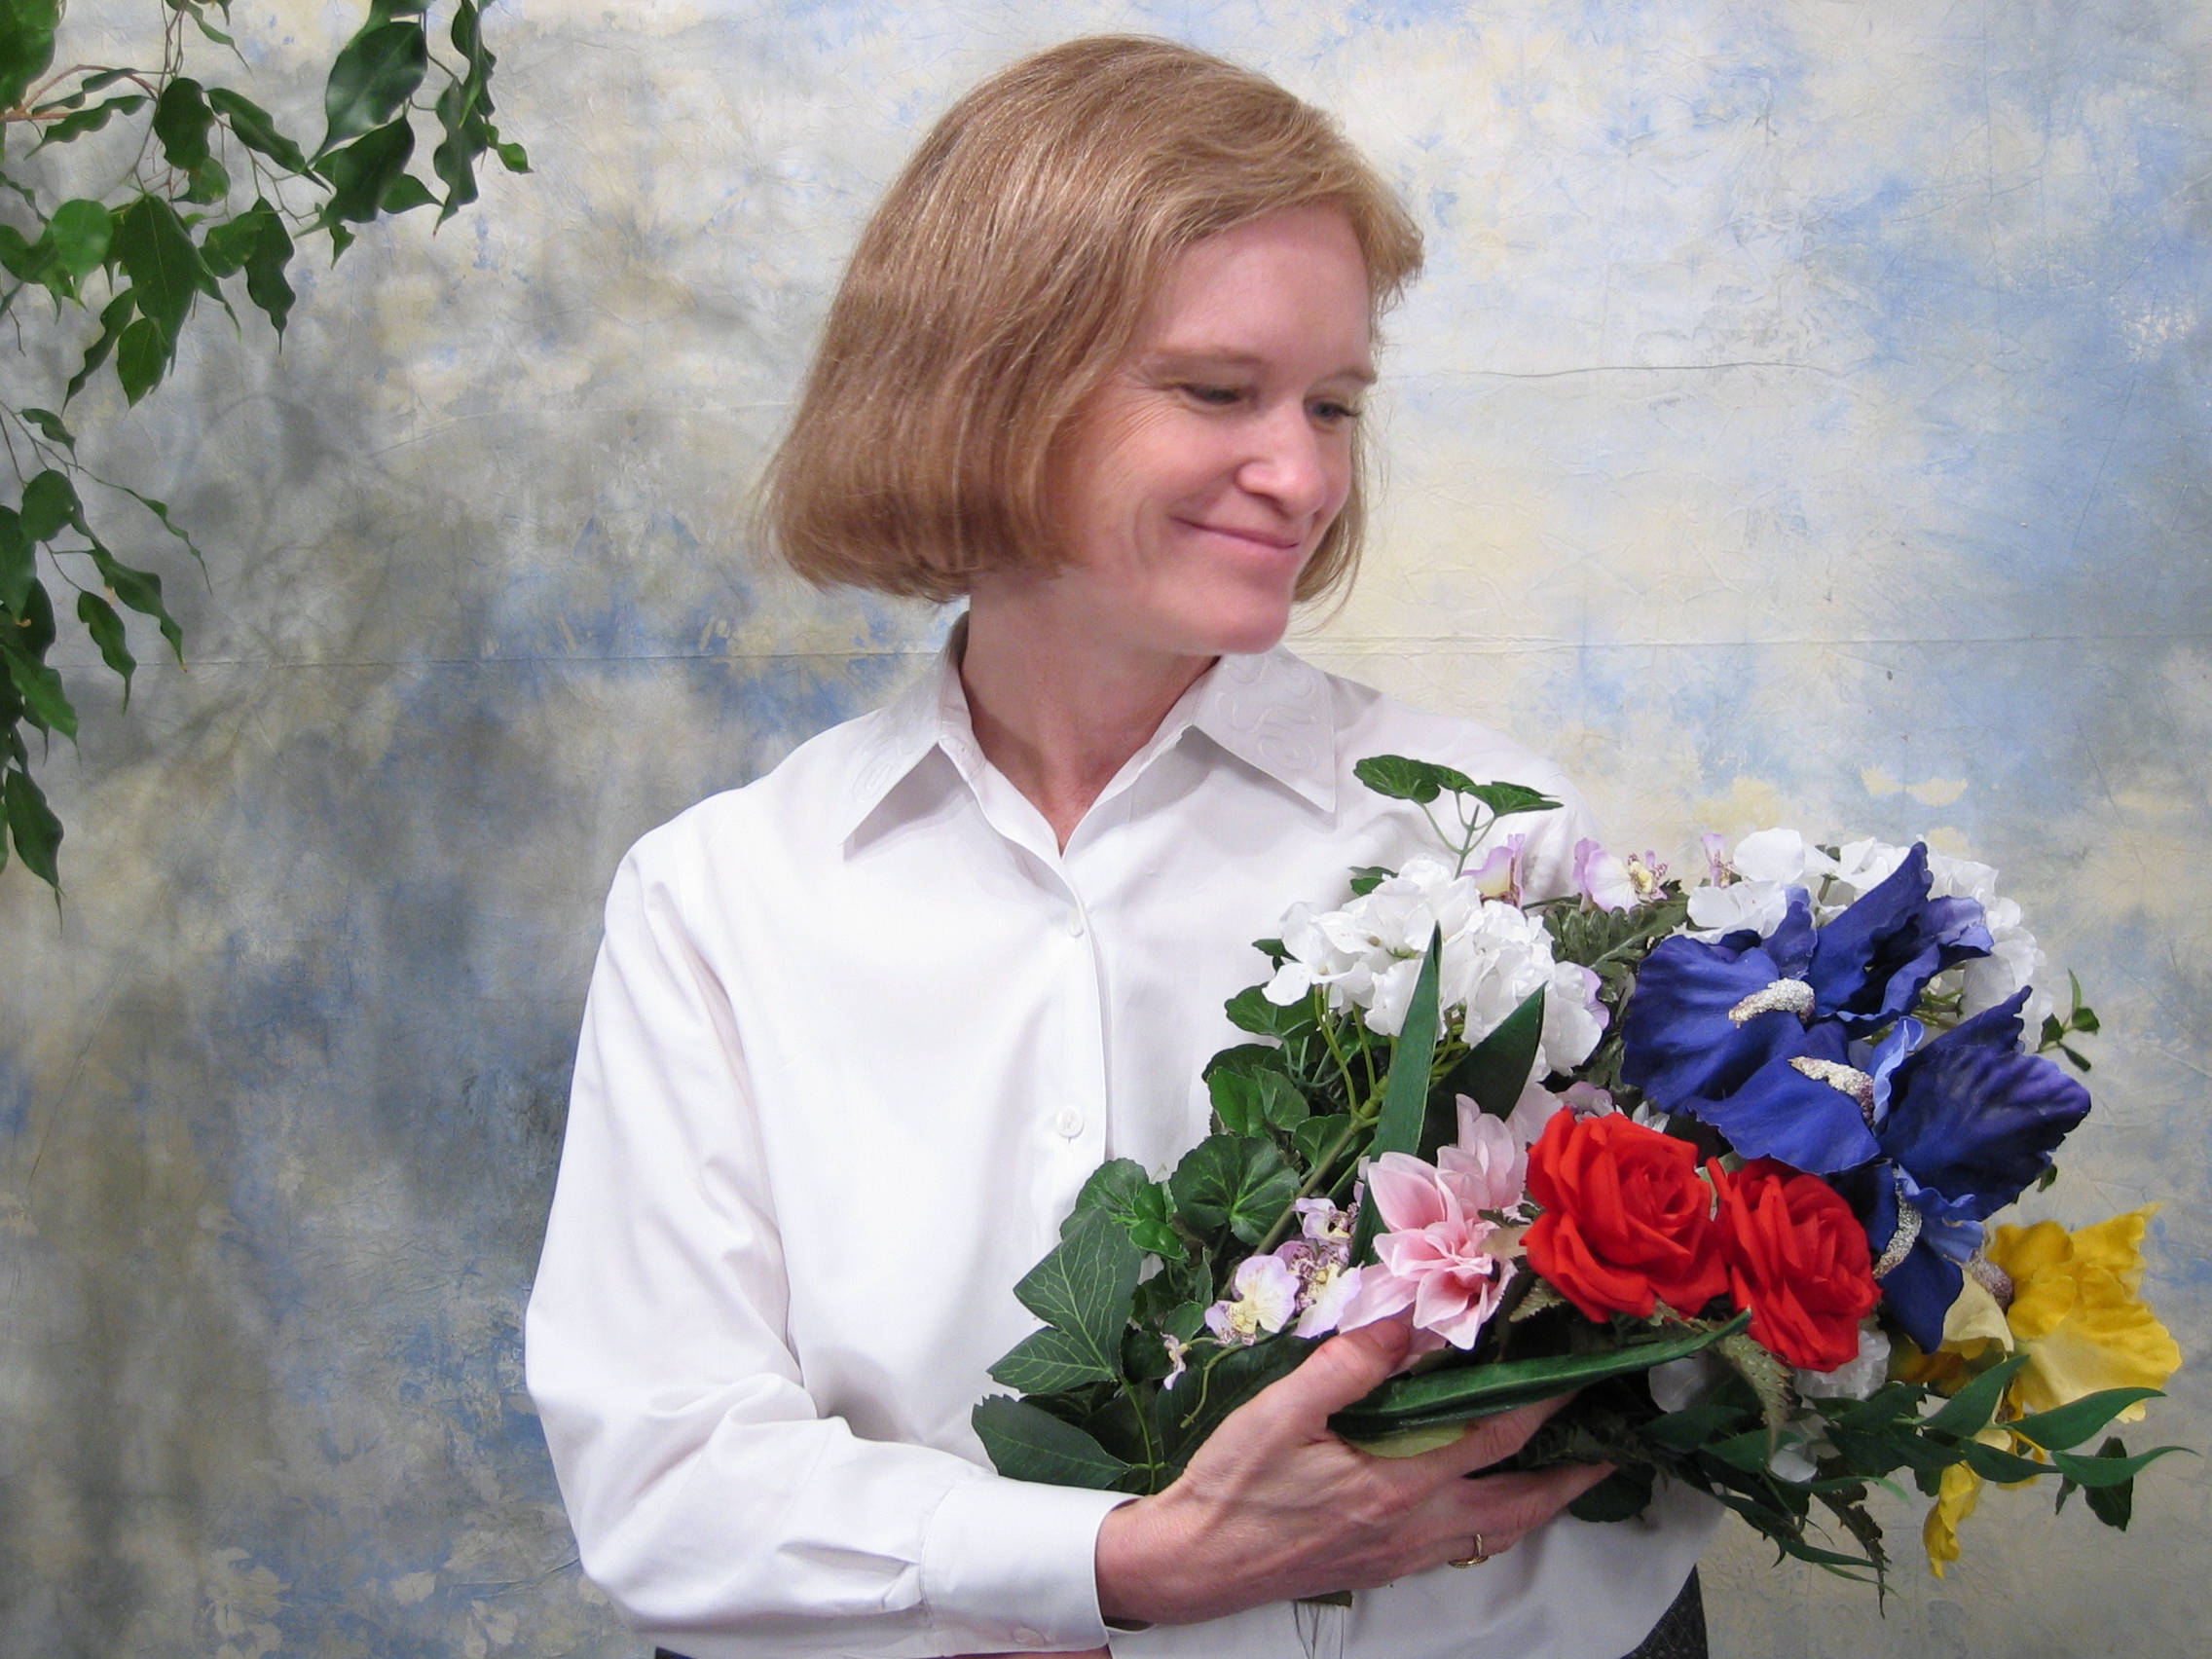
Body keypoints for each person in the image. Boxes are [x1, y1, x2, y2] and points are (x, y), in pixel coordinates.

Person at [525, 35, 1717, 1659]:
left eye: (1335, 404)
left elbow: (1630, 1455)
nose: (1302, 474)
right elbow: (666, 1488)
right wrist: (1120, 1566)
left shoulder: (1489, 848)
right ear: (983, 388)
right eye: (1218, 391)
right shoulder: (724, 899)